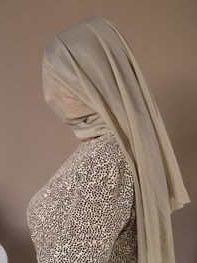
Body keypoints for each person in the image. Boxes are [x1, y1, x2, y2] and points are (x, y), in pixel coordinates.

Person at [26, 17, 190, 263]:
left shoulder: (105, 160)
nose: (49, 94)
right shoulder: (107, 143)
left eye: (59, 79)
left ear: (94, 80)